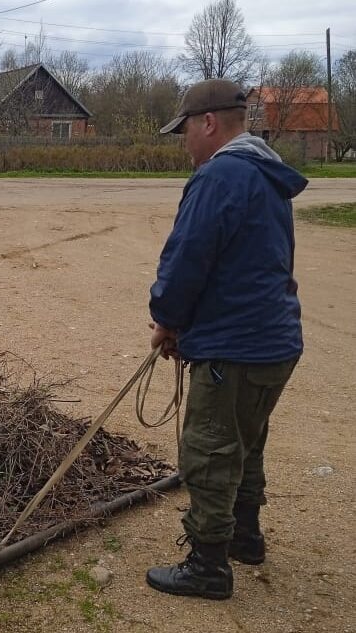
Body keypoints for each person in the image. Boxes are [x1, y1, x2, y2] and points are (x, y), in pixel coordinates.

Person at [145, 79, 307, 600]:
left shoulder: (217, 177)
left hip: (236, 345)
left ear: (208, 123)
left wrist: (167, 320)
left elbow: (187, 259)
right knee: (245, 437)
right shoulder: (265, 174)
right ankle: (245, 535)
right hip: (274, 341)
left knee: (210, 449)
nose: (184, 142)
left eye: (186, 130)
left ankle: (209, 566)